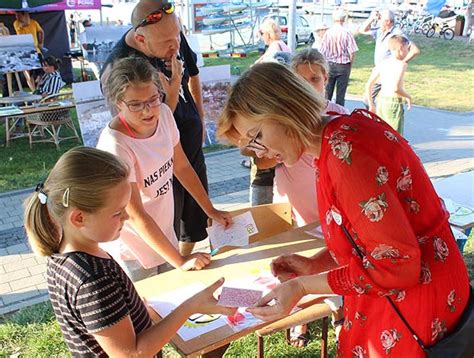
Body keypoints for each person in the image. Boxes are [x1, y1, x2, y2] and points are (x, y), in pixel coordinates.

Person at [217, 63, 470, 356]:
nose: (259, 152)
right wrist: (315, 265)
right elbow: (369, 240)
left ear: (283, 108)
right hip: (420, 291)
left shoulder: (344, 155)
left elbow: (397, 264)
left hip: (413, 305)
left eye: (256, 136)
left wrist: (302, 287)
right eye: (250, 145)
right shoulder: (340, 133)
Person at [23, 146, 235, 357]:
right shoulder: (93, 280)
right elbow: (132, 355)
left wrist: (135, 309)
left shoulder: (66, 255)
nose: (126, 217)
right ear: (79, 218)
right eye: (117, 212)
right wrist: (191, 306)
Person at [97, 57, 231, 281]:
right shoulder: (116, 145)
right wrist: (179, 260)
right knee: (148, 310)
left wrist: (210, 209)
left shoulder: (165, 115)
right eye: (135, 104)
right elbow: (135, 214)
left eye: (153, 99)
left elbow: (182, 166)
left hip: (164, 234)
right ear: (118, 103)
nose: (147, 110)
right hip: (133, 249)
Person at [101, 0, 210, 257]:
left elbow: (193, 74)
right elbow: (144, 127)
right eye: (166, 43)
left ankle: (180, 257)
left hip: (183, 147)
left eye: (177, 36)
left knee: (194, 220)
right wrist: (169, 96)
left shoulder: (168, 32)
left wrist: (201, 119)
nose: (175, 45)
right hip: (157, 167)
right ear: (140, 39)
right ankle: (176, 259)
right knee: (168, 221)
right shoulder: (120, 69)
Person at [272, 48, 348, 347]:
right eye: (300, 80)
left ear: (326, 79)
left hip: (330, 211)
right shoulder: (282, 118)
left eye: (314, 79)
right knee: (296, 261)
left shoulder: (339, 117)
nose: (307, 85)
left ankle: (339, 307)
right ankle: (300, 319)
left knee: (335, 259)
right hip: (295, 211)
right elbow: (263, 160)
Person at [359, 9, 420, 107]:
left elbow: (415, 50)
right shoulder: (380, 31)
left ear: (387, 22)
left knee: (379, 100)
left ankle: (377, 118)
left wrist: (400, 63)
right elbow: (362, 30)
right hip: (379, 70)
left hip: (388, 72)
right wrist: (371, 18)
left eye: (380, 19)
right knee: (368, 100)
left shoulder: (397, 33)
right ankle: (375, 118)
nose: (378, 21)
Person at [366, 35, 412, 134]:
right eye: (407, 48)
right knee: (394, 135)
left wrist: (371, 104)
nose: (408, 52)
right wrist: (408, 96)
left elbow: (369, 84)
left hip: (381, 101)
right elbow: (396, 88)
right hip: (394, 103)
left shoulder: (383, 63)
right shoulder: (402, 65)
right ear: (401, 48)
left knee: (381, 132)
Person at [319, 10, 358, 106]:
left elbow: (322, 51)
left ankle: (326, 113)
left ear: (333, 19)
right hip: (343, 65)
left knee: (327, 93)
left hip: (330, 64)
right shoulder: (347, 33)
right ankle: (340, 115)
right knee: (340, 95)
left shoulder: (328, 33)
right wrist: (350, 65)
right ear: (344, 19)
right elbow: (352, 52)